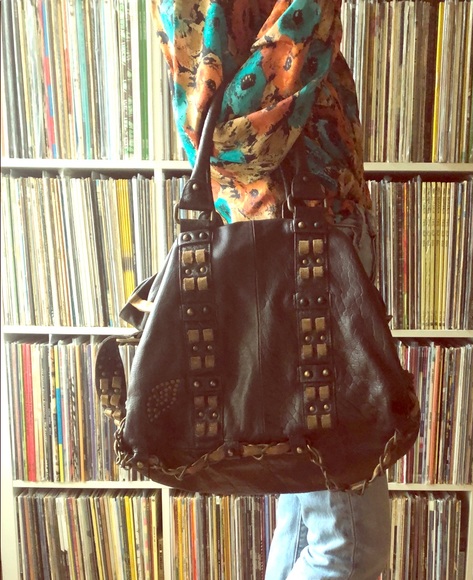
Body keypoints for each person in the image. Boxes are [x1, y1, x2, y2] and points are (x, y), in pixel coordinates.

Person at [151, 1, 390, 577]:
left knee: (304, 512)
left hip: (266, 238)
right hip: (309, 250)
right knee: (349, 545)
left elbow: (209, 110)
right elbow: (239, 125)